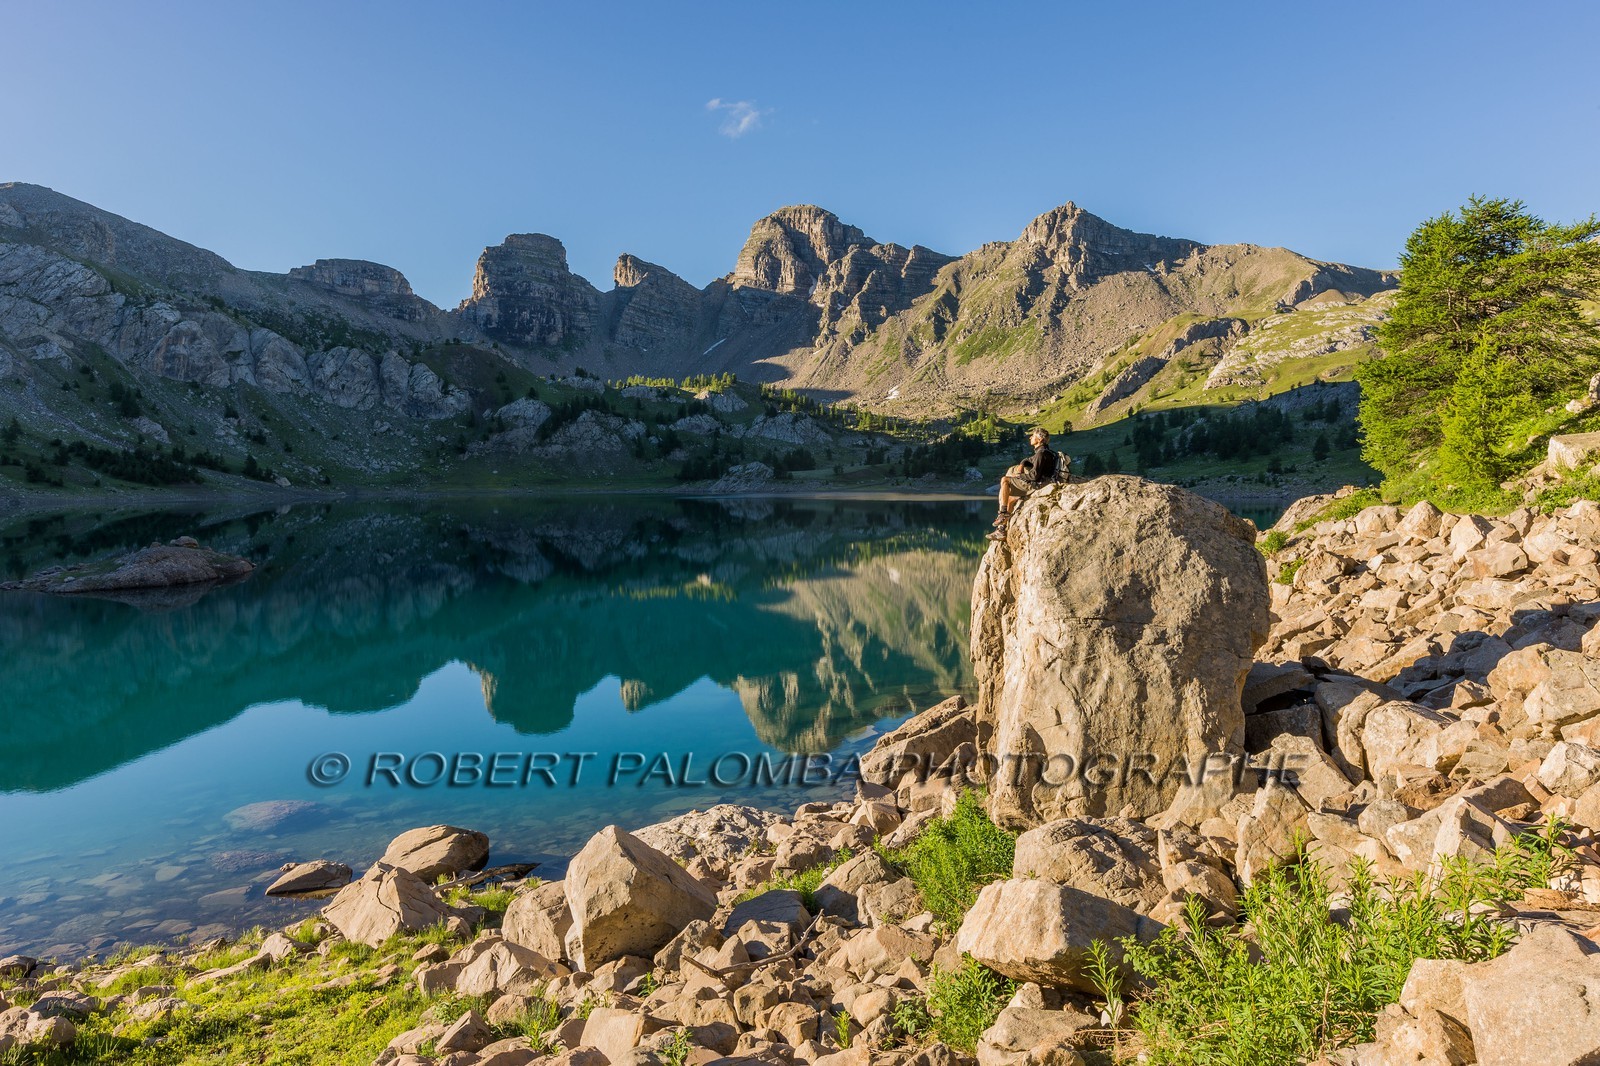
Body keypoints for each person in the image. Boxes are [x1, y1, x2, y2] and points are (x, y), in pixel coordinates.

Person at [989, 427, 1063, 540]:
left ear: (1039, 439)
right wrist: (1022, 464)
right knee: (1010, 499)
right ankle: (1001, 530)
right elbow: (1029, 460)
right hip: (1041, 482)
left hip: (1037, 485)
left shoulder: (1041, 454)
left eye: (1033, 436)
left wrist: (1019, 476)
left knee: (1005, 480)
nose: (1030, 438)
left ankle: (1003, 512)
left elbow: (1034, 476)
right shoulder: (1045, 451)